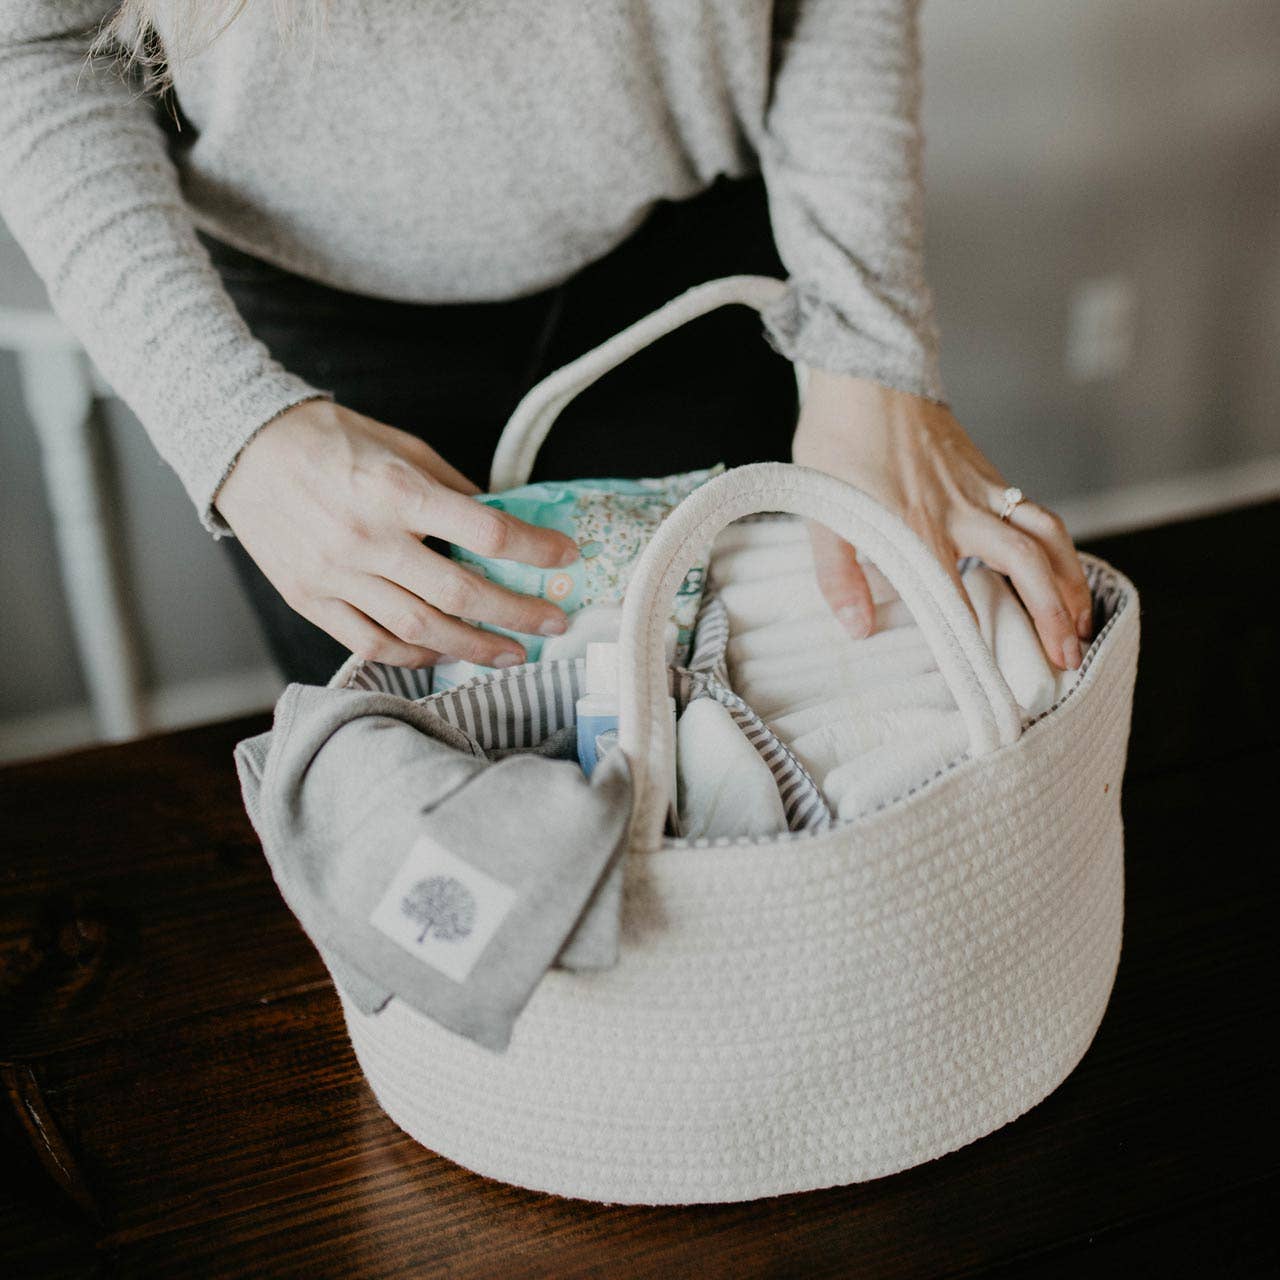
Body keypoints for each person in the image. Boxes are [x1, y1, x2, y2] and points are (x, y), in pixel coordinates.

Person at [0, 1, 1093, 687]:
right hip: (308, 364)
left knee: (756, 727)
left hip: (695, 266)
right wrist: (232, 427)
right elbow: (35, 44)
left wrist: (868, 351)